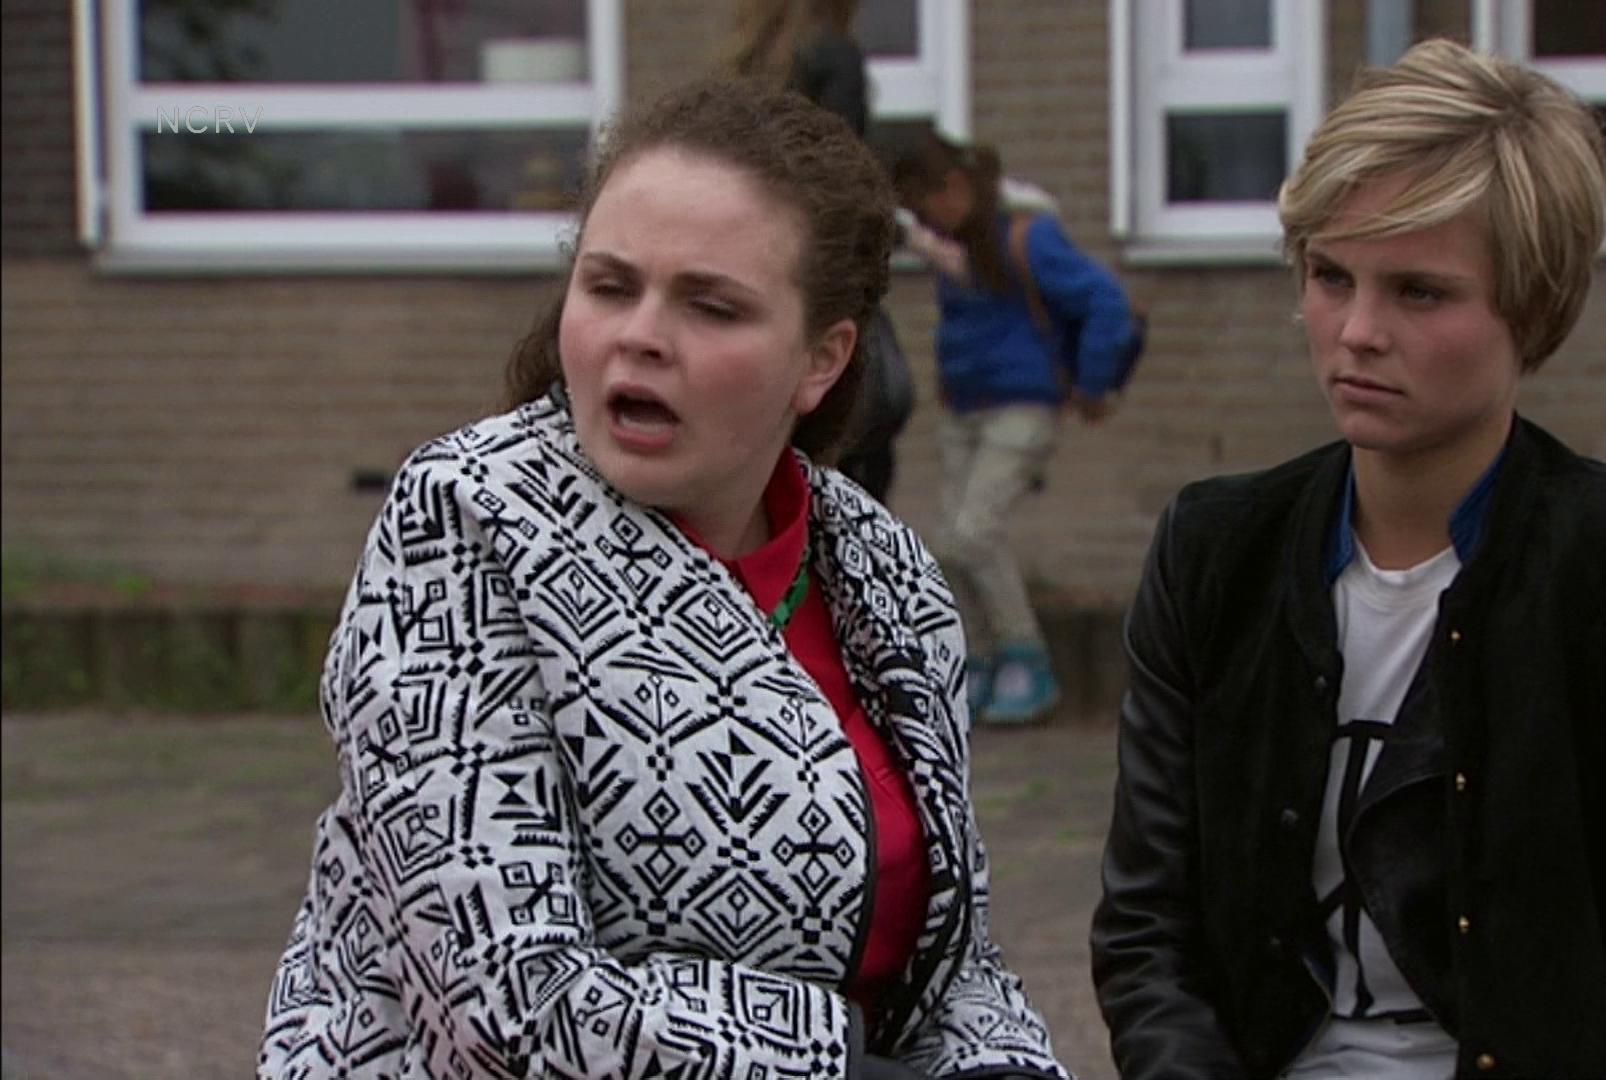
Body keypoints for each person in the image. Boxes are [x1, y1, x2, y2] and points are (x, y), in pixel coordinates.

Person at [258, 78, 1068, 1080]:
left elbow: (953, 958)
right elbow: (509, 1004)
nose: (640, 334)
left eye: (710, 305)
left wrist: (1003, 1064)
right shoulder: (468, 517)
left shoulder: (886, 570)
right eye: (609, 286)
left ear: (820, 361)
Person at [1090, 39, 1606, 1080]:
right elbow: (1146, 930)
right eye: (1331, 277)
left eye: (1420, 292)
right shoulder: (1215, 550)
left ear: (1532, 306)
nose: (1357, 331)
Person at [893, 133, 1134, 726]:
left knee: (974, 533)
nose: (929, 222)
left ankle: (1028, 661)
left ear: (955, 187)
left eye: (929, 206)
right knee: (947, 545)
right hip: (964, 408)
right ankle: (977, 660)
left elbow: (1106, 302)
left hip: (1022, 406)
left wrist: (1093, 384)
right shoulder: (957, 243)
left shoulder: (1028, 235)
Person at [723, 0, 915, 506]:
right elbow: (840, 176)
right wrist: (895, 234)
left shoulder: (746, 64)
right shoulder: (833, 55)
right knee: (851, 460)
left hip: (749, 268)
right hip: (815, 273)